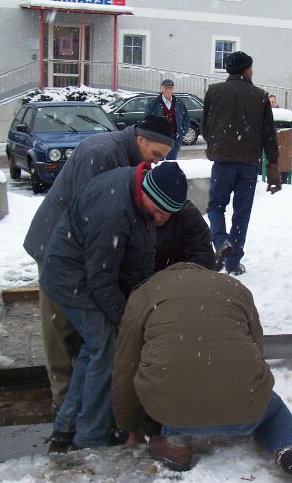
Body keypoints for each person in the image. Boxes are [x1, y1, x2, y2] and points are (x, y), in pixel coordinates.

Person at [112, 263, 292, 483]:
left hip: (175, 409)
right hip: (245, 410)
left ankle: (176, 442)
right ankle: (285, 450)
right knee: (274, 410)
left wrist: (130, 426)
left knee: (169, 385)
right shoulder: (233, 287)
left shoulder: (145, 293)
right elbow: (256, 346)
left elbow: (126, 366)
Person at [23, 116, 175, 409]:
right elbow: (95, 220)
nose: (156, 163)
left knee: (88, 327)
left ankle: (81, 393)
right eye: (156, 155)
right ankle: (63, 398)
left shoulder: (129, 157)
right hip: (57, 246)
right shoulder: (101, 153)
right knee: (60, 324)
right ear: (140, 140)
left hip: (79, 246)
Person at [41, 161, 189, 449]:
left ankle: (66, 426)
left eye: (165, 215)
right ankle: (91, 437)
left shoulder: (141, 195)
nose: (160, 219)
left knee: (93, 348)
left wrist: (143, 301)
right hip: (71, 275)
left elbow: (142, 255)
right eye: (157, 211)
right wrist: (128, 321)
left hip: (87, 271)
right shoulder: (114, 211)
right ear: (148, 193)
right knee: (106, 346)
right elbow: (101, 280)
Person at [203, 50, 282, 275]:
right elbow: (269, 134)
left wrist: (217, 145)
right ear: (247, 70)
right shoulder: (260, 96)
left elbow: (205, 125)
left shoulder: (214, 91)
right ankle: (233, 262)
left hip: (222, 162)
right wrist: (273, 167)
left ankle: (220, 242)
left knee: (216, 206)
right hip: (248, 164)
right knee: (242, 213)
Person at [145, 79, 190, 160]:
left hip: (174, 140)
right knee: (158, 164)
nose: (168, 90)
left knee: (171, 164)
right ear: (161, 89)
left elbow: (186, 119)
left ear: (173, 89)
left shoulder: (179, 103)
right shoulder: (153, 104)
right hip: (159, 141)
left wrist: (182, 132)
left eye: (170, 88)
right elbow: (147, 121)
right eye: (166, 88)